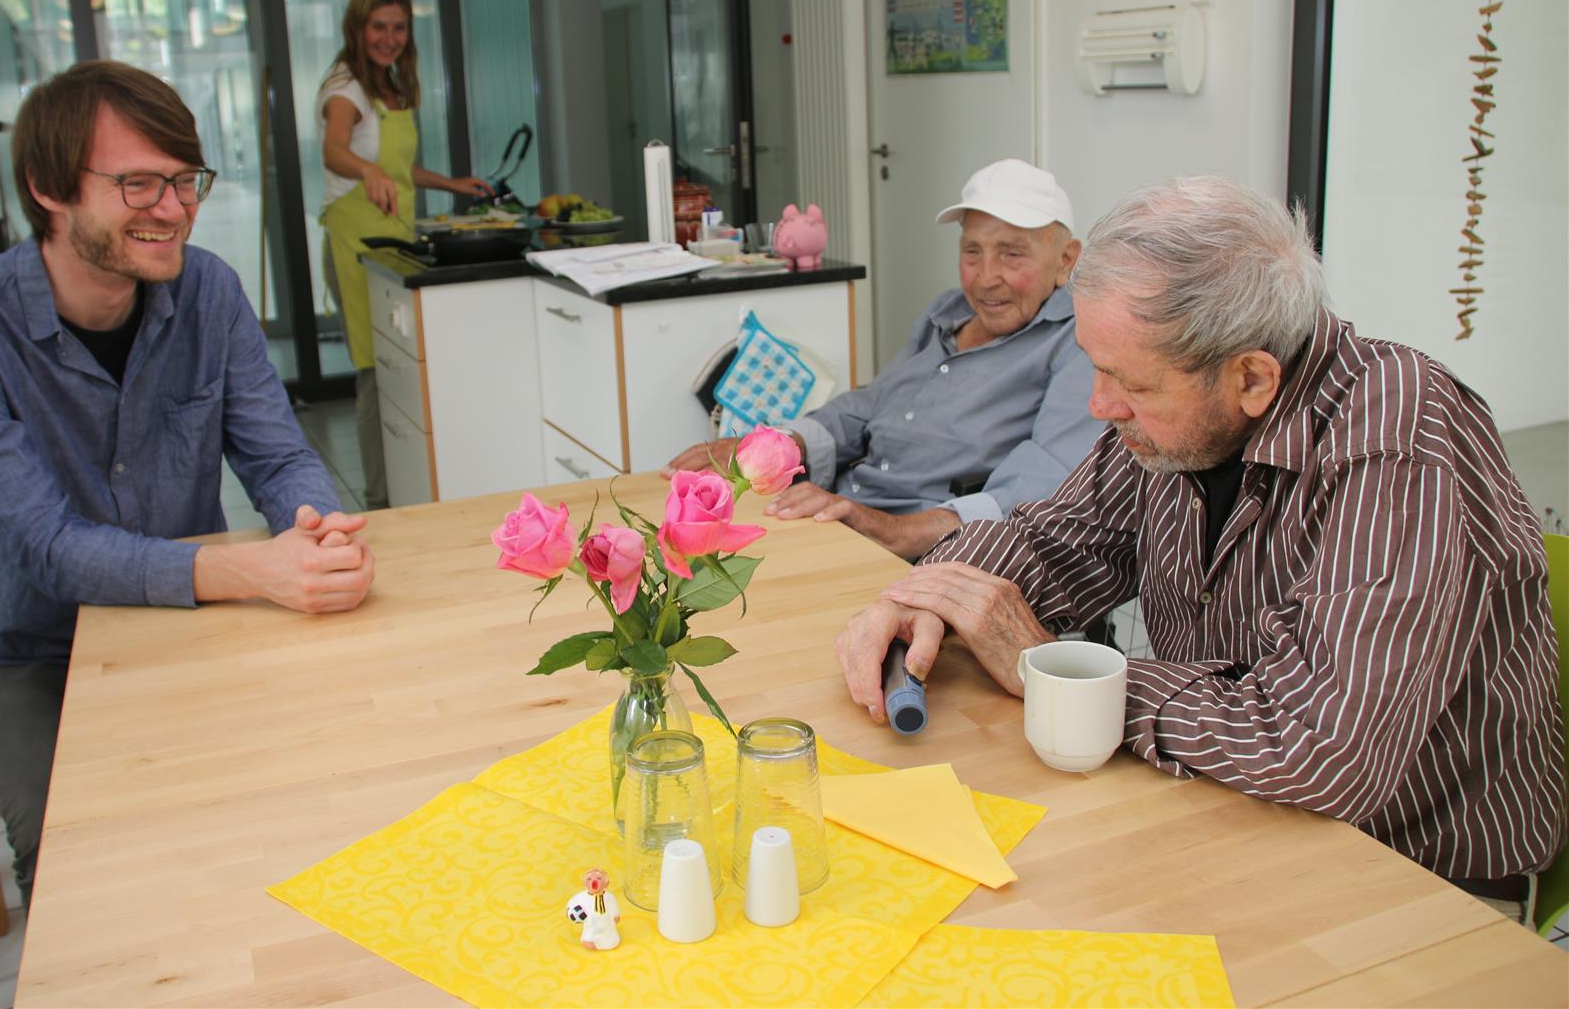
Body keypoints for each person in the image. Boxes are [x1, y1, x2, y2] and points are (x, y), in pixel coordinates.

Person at [836, 175, 1565, 918]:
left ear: (1252, 378)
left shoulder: (1401, 445)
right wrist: (927, 597)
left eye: (1129, 383)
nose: (1100, 405)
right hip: (1230, 811)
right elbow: (1060, 541)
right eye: (1095, 365)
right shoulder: (1171, 417)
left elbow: (1321, 748)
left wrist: (1057, 676)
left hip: (1418, 878)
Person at [0, 61, 377, 907]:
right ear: (49, 188)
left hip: (184, 630)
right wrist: (250, 572)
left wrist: (321, 529)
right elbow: (46, 547)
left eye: (185, 180)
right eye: (138, 183)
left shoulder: (210, 291)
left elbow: (275, 454)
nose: (175, 209)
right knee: (84, 872)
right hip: (25, 654)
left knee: (305, 805)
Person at [667, 160, 1104, 561]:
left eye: (1012, 253)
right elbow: (872, 404)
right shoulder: (947, 312)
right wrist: (774, 447)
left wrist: (894, 530)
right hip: (847, 516)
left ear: (1066, 261)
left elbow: (1049, 476)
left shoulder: (1079, 340)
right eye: (972, 252)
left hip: (935, 553)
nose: (986, 277)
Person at [318, 0, 492, 509]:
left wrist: (451, 184)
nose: (388, 38)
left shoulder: (390, 86)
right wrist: (367, 170)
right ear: (358, 25)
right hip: (355, 243)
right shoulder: (345, 87)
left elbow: (398, 169)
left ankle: (409, 484)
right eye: (378, 26)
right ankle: (380, 499)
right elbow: (334, 150)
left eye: (398, 28)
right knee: (377, 372)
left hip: (391, 236)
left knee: (398, 369)